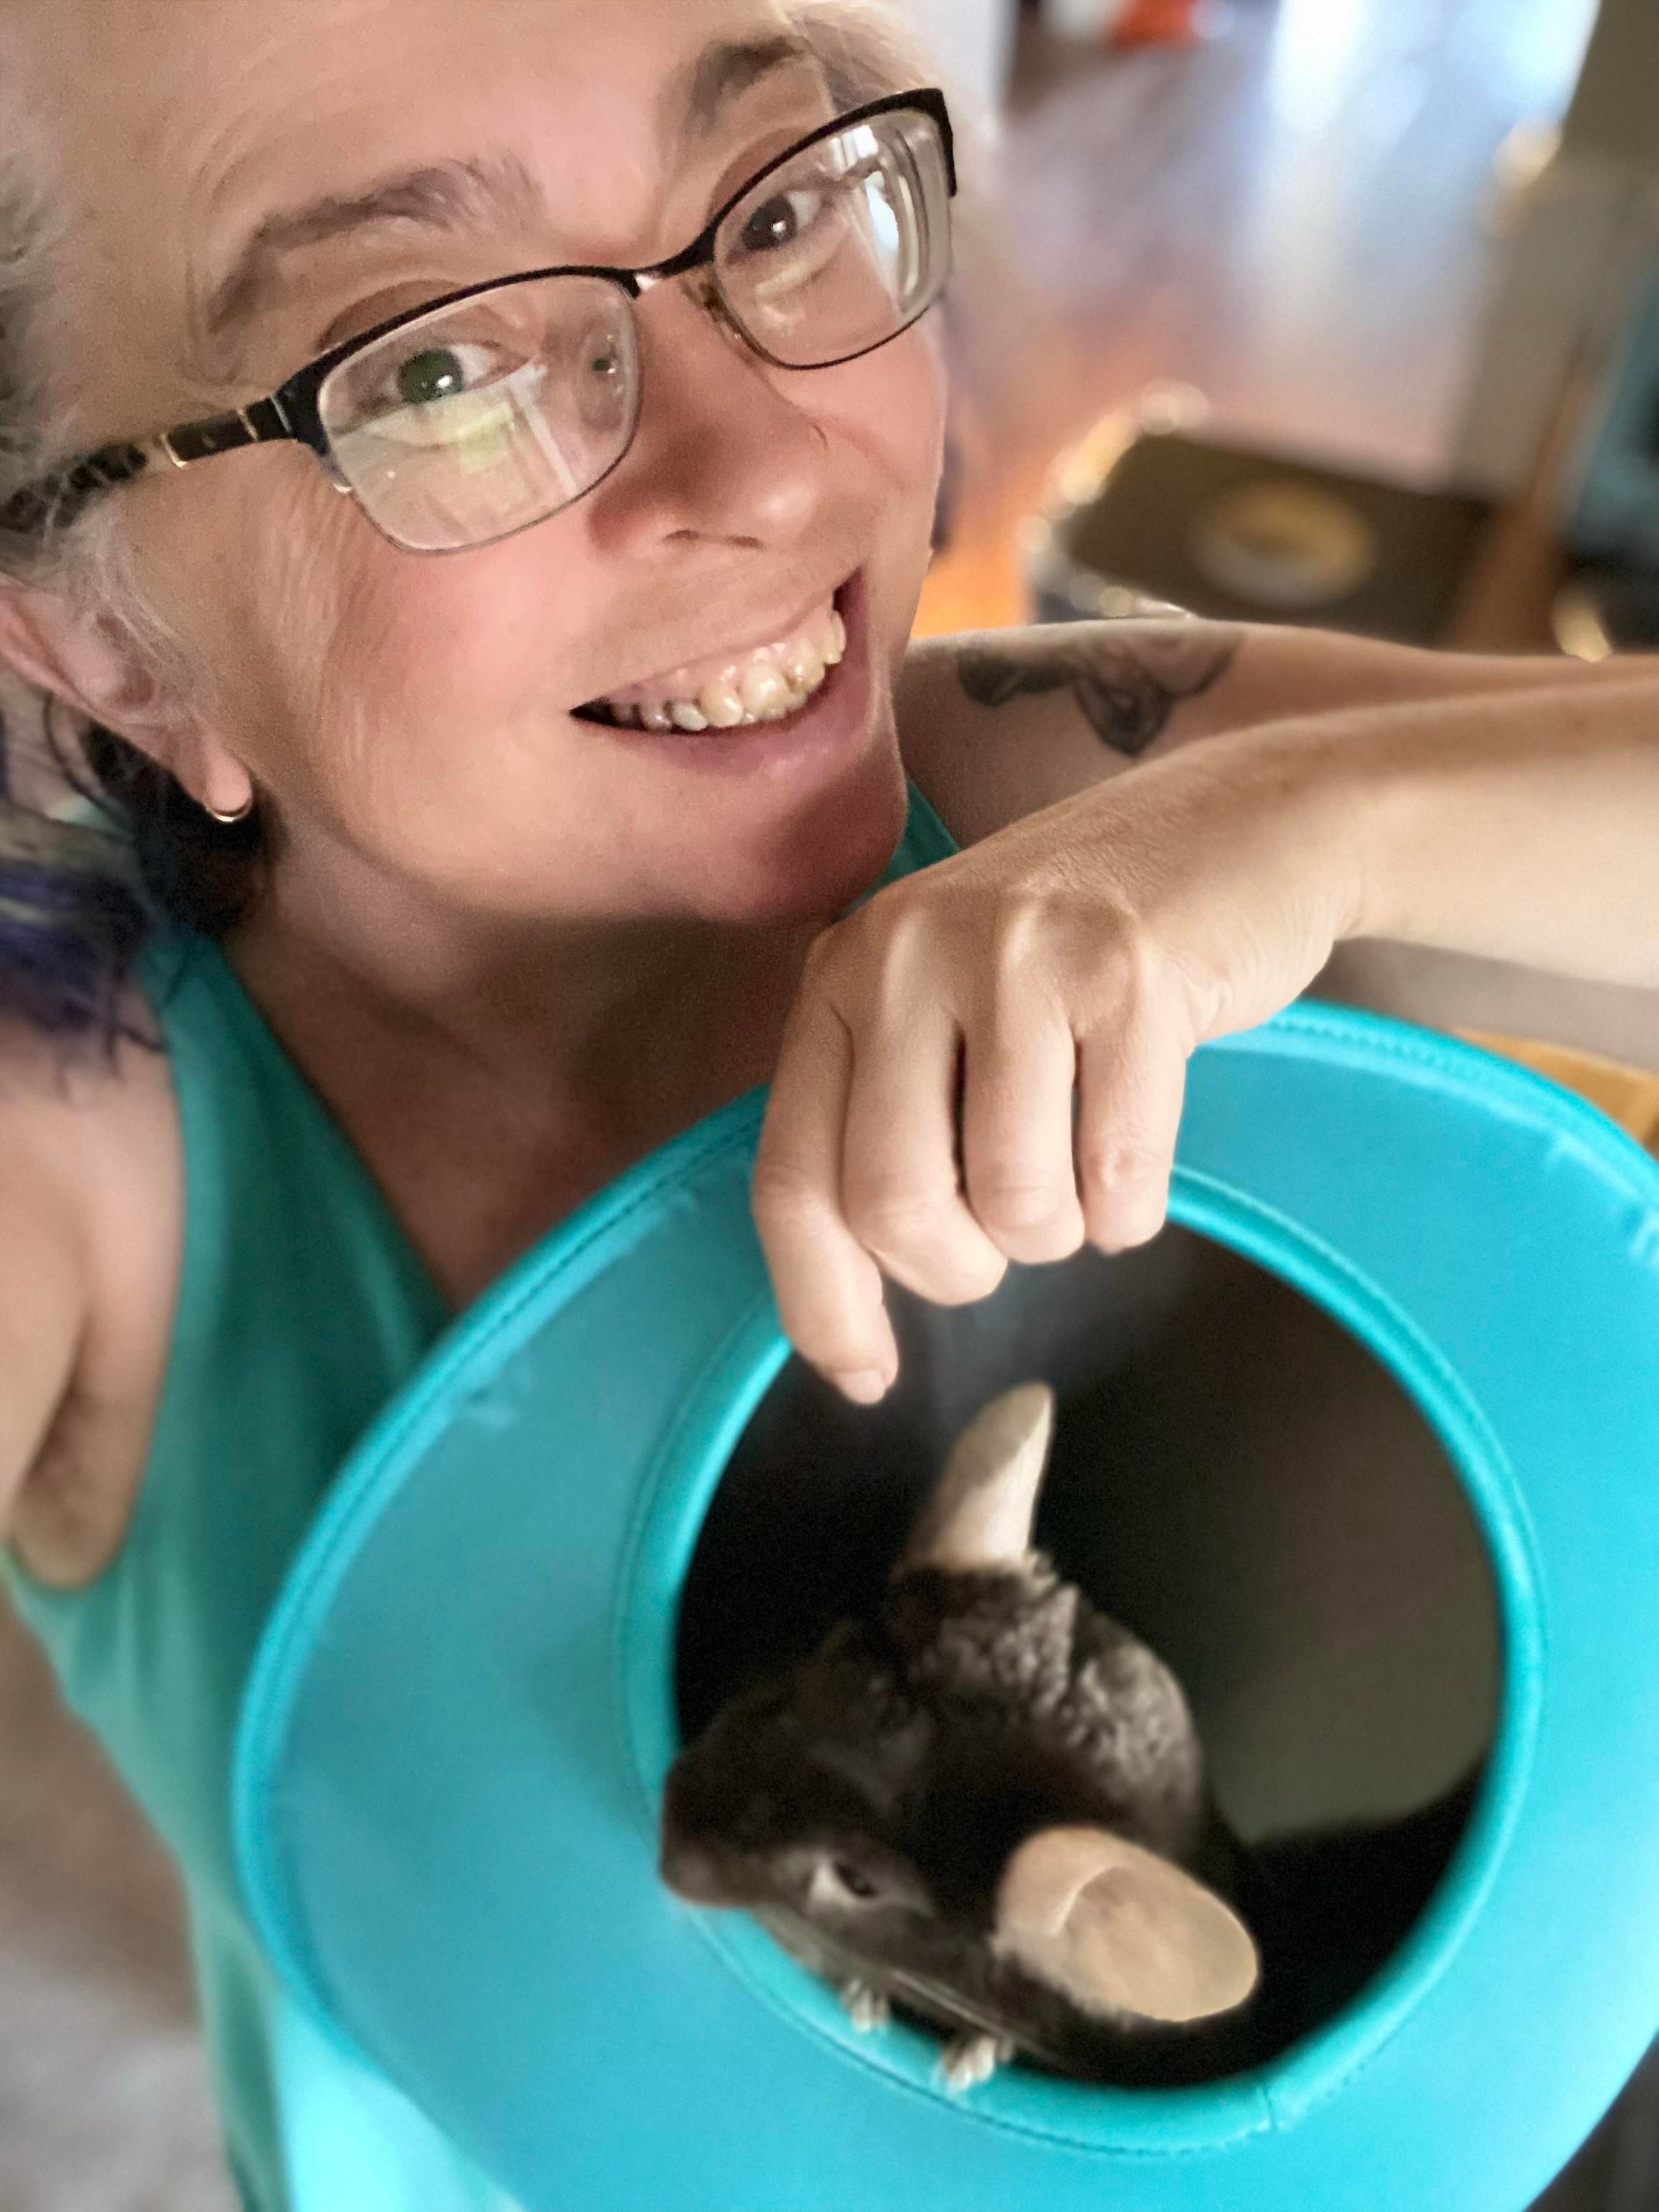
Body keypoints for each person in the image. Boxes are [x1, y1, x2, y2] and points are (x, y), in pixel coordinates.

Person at [0, 0, 1653, 2201]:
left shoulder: (1069, 786)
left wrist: (1327, 828)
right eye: (430, 362)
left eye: (772, 207)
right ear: (96, 643)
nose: (767, 464)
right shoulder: (89, 1151)